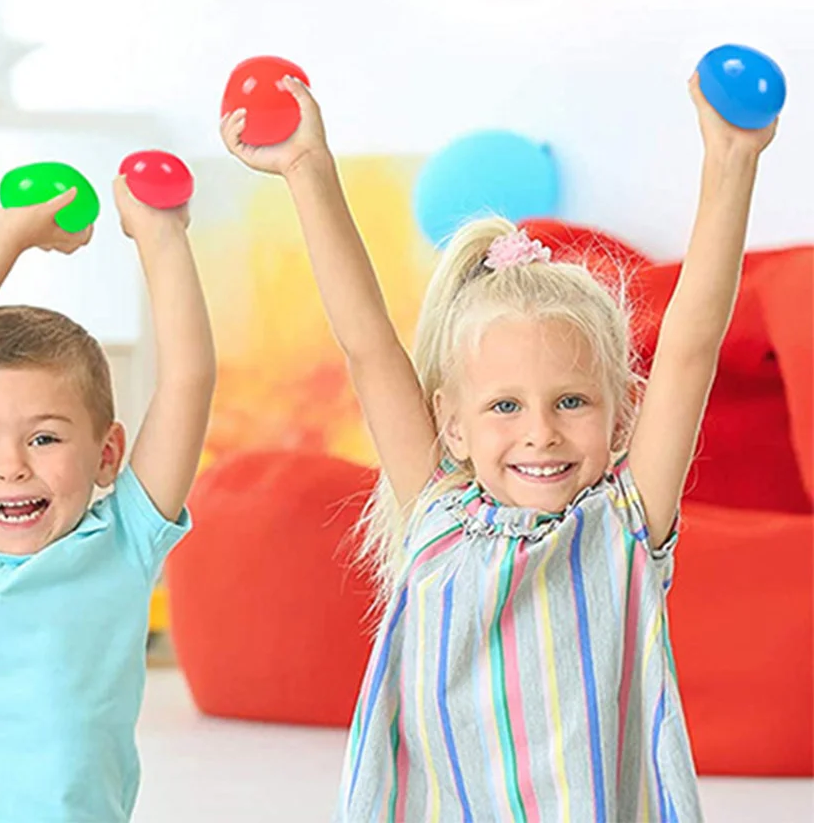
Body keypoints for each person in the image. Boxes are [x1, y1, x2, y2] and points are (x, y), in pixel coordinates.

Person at [222, 72, 777, 823]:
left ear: (620, 418)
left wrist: (732, 161)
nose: (540, 431)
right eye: (505, 406)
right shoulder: (437, 513)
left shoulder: (622, 524)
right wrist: (306, 168)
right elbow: (368, 344)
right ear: (453, 424)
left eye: (571, 402)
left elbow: (690, 346)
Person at [0, 178, 216, 822]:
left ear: (107, 454)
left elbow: (187, 380)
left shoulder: (123, 542)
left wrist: (161, 236)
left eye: (43, 438)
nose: (11, 467)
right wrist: (7, 234)